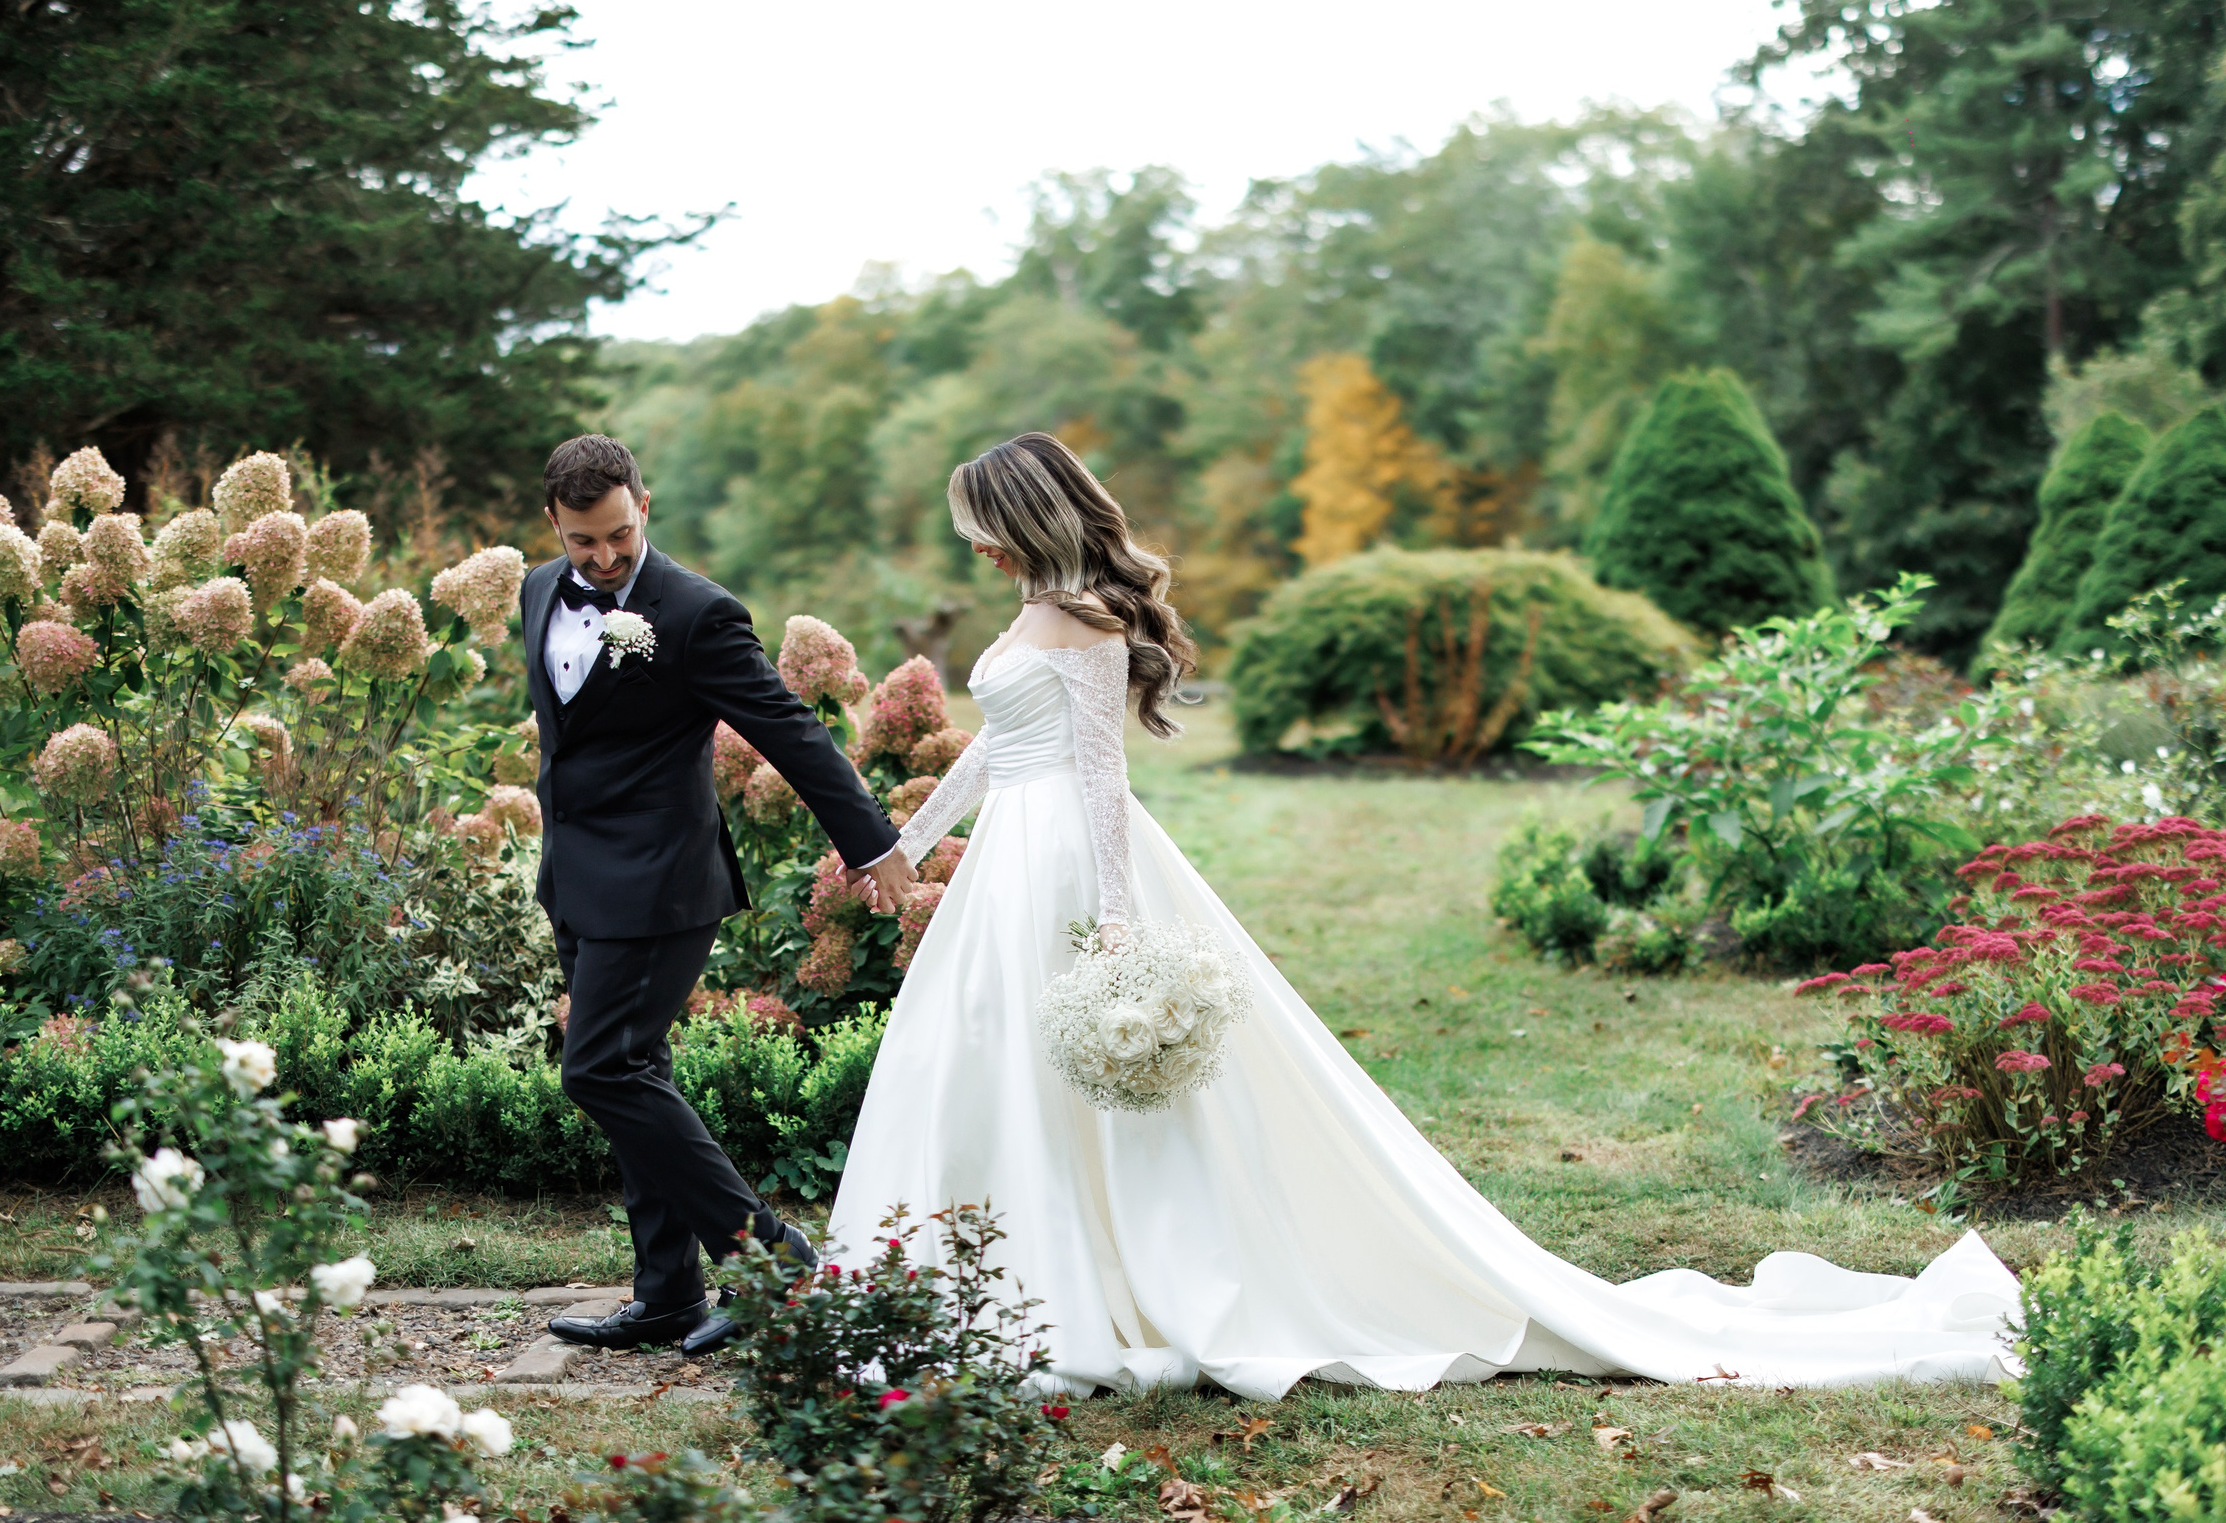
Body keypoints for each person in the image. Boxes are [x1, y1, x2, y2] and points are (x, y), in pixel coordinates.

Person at [828, 430, 2022, 1399]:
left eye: (976, 524)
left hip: (1072, 868)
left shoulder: (1085, 620)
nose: (972, 546)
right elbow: (998, 749)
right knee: (992, 1067)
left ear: (1016, 514)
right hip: (1003, 870)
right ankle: (1017, 1272)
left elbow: (1100, 776)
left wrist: (1119, 921)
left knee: (1100, 1078)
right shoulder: (1035, 612)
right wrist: (901, 843)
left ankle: (1130, 1278)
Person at [524, 434, 918, 1358]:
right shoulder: (540, 590)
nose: (604, 559)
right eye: (584, 542)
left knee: (601, 1072)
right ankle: (666, 1296)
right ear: (555, 526)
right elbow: (568, 734)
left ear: (645, 505)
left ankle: (775, 1260)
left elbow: (788, 727)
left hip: (662, 886)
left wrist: (872, 843)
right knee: (634, 1079)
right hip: (576, 879)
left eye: (618, 535)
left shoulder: (698, 613)